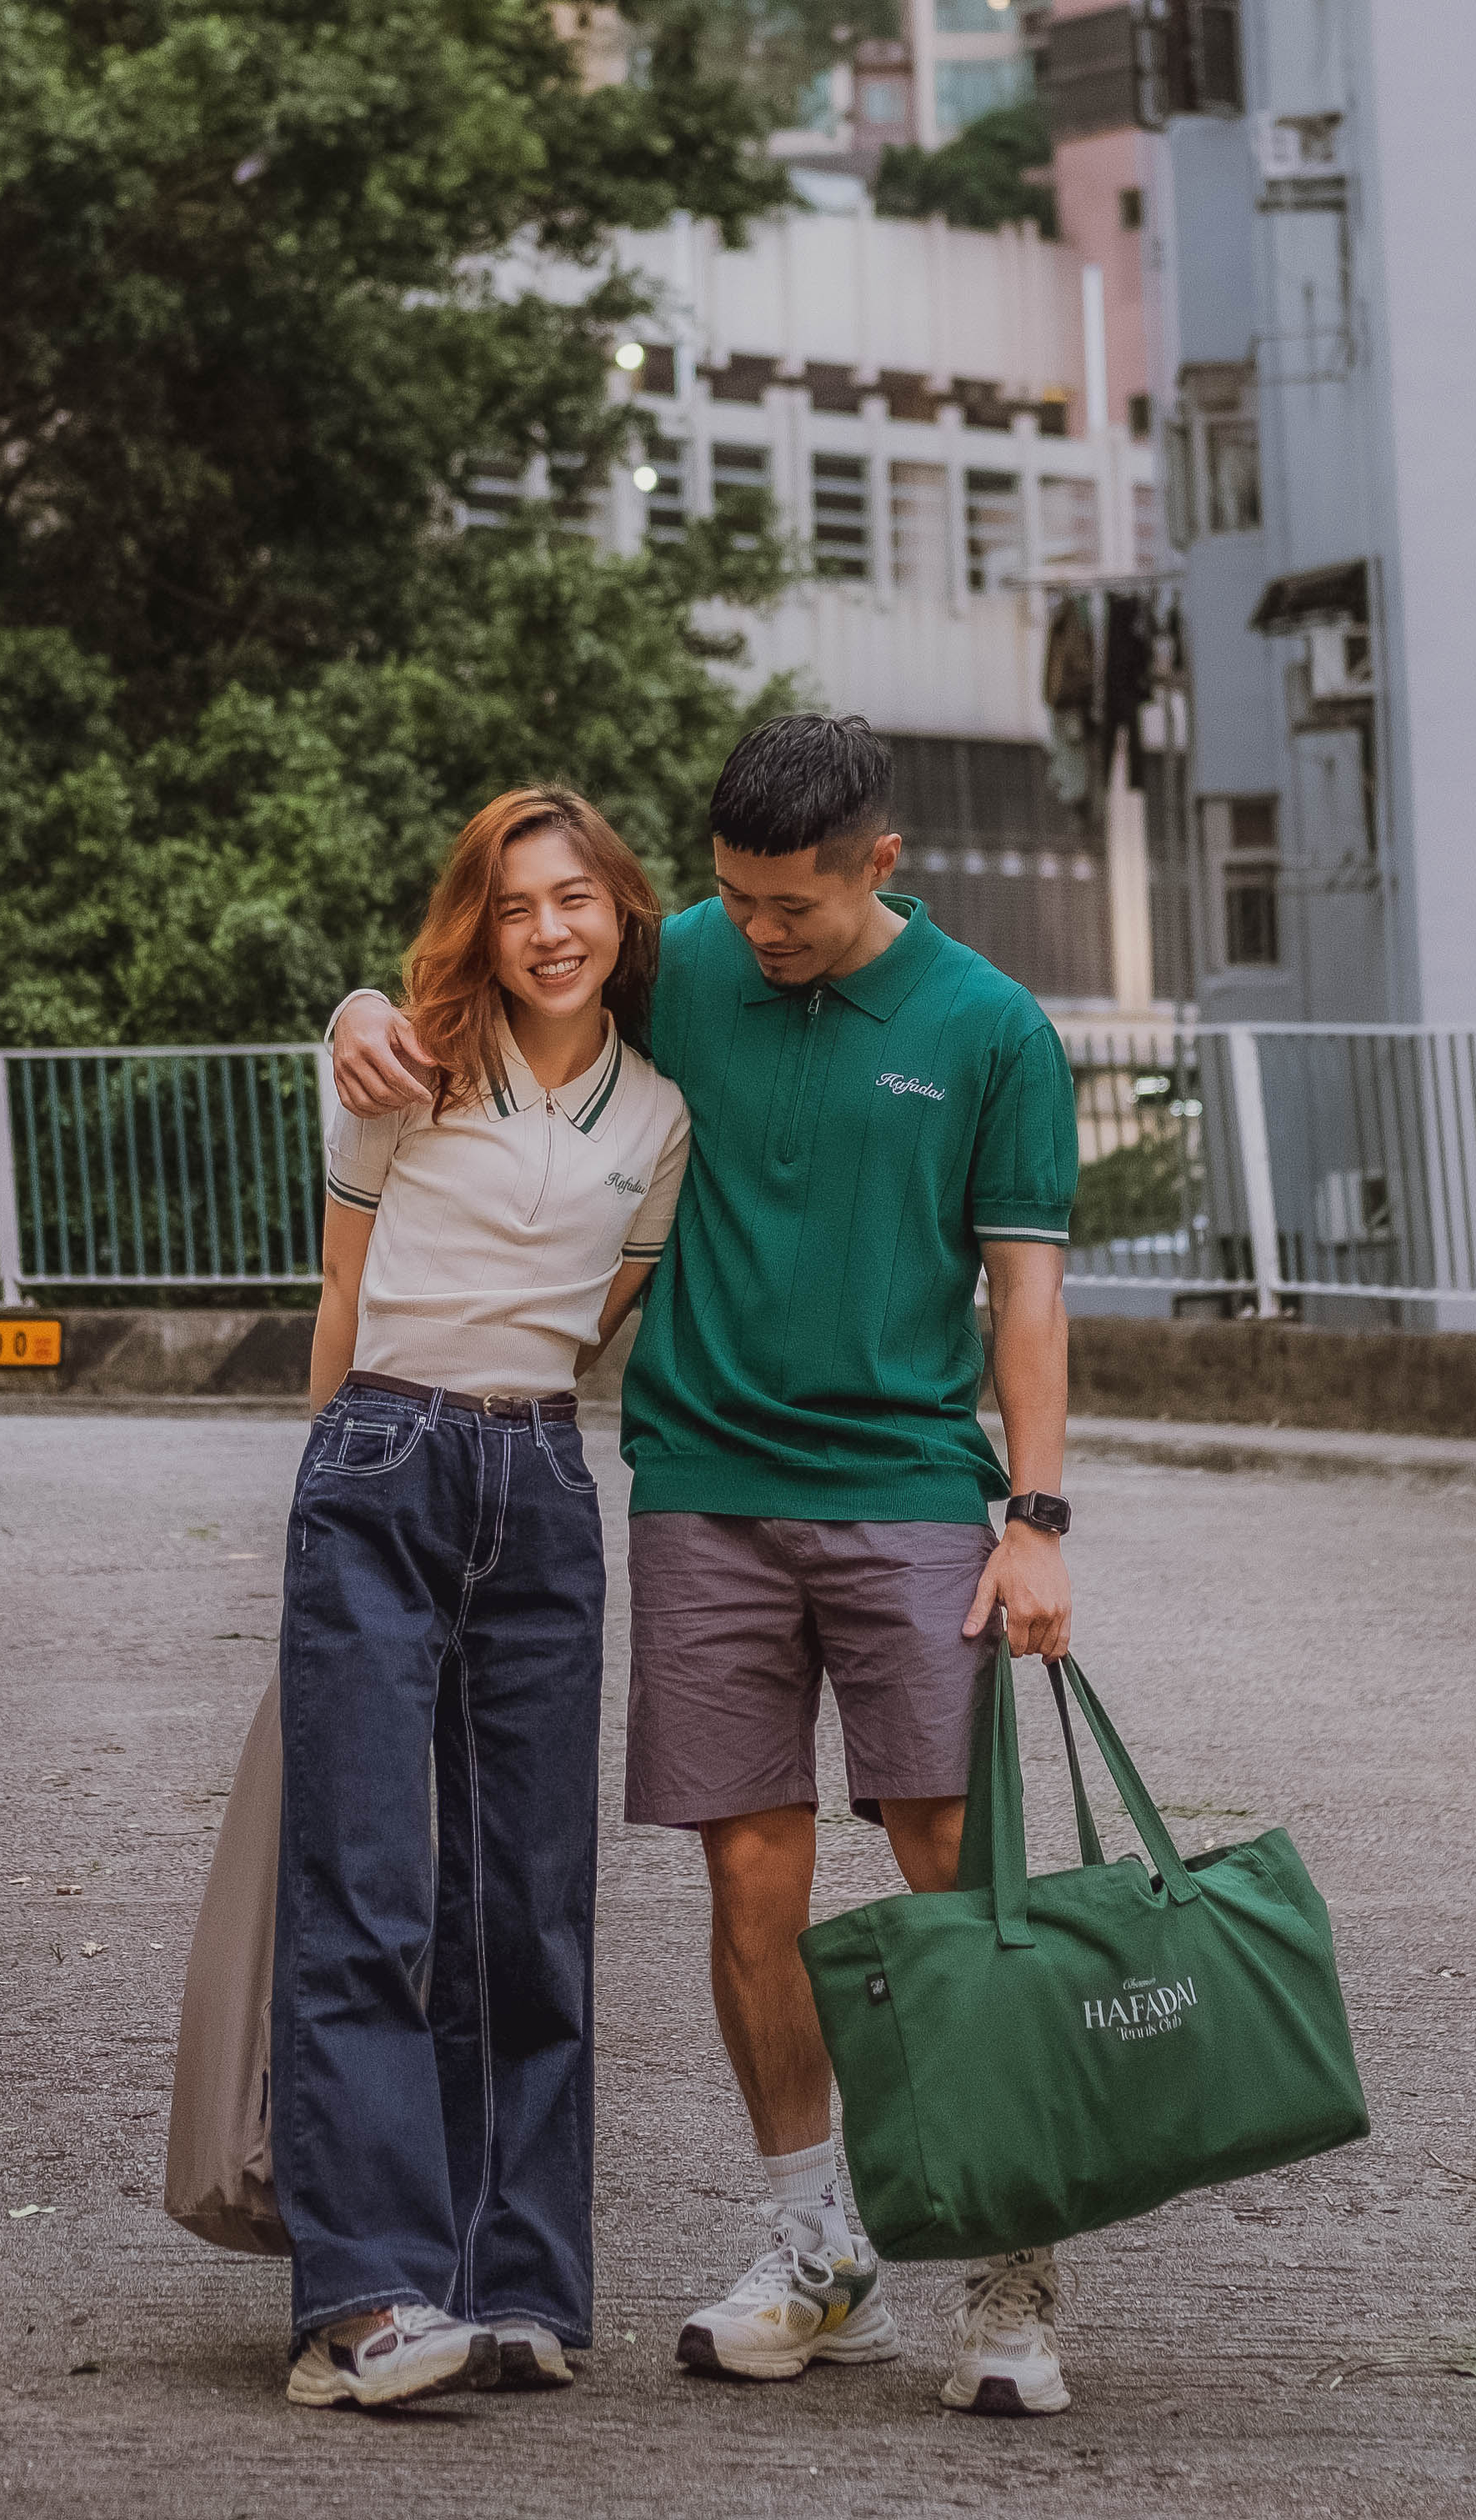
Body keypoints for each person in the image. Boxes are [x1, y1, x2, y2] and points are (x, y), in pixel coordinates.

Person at [328, 714, 1082, 2418]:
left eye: (790, 908)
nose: (754, 933)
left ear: (881, 864)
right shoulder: (678, 959)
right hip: (705, 1488)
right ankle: (819, 2249)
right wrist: (364, 1011)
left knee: (950, 1867)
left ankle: (1013, 2257)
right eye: (733, 898)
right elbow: (496, 978)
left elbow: (1027, 1289)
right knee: (752, 1876)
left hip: (903, 1485)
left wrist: (1035, 1517)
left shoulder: (995, 1032)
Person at [278, 786, 688, 2412]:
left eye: (577, 895)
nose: (553, 927)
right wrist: (320, 1502)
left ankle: (517, 2280)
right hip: (381, 1457)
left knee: (533, 1900)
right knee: (372, 1889)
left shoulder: (659, 1116)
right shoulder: (403, 1063)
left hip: (540, 1480)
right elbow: (340, 1280)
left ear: (621, 913)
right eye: (518, 902)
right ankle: (364, 2295)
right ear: (481, 922)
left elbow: (600, 1323)